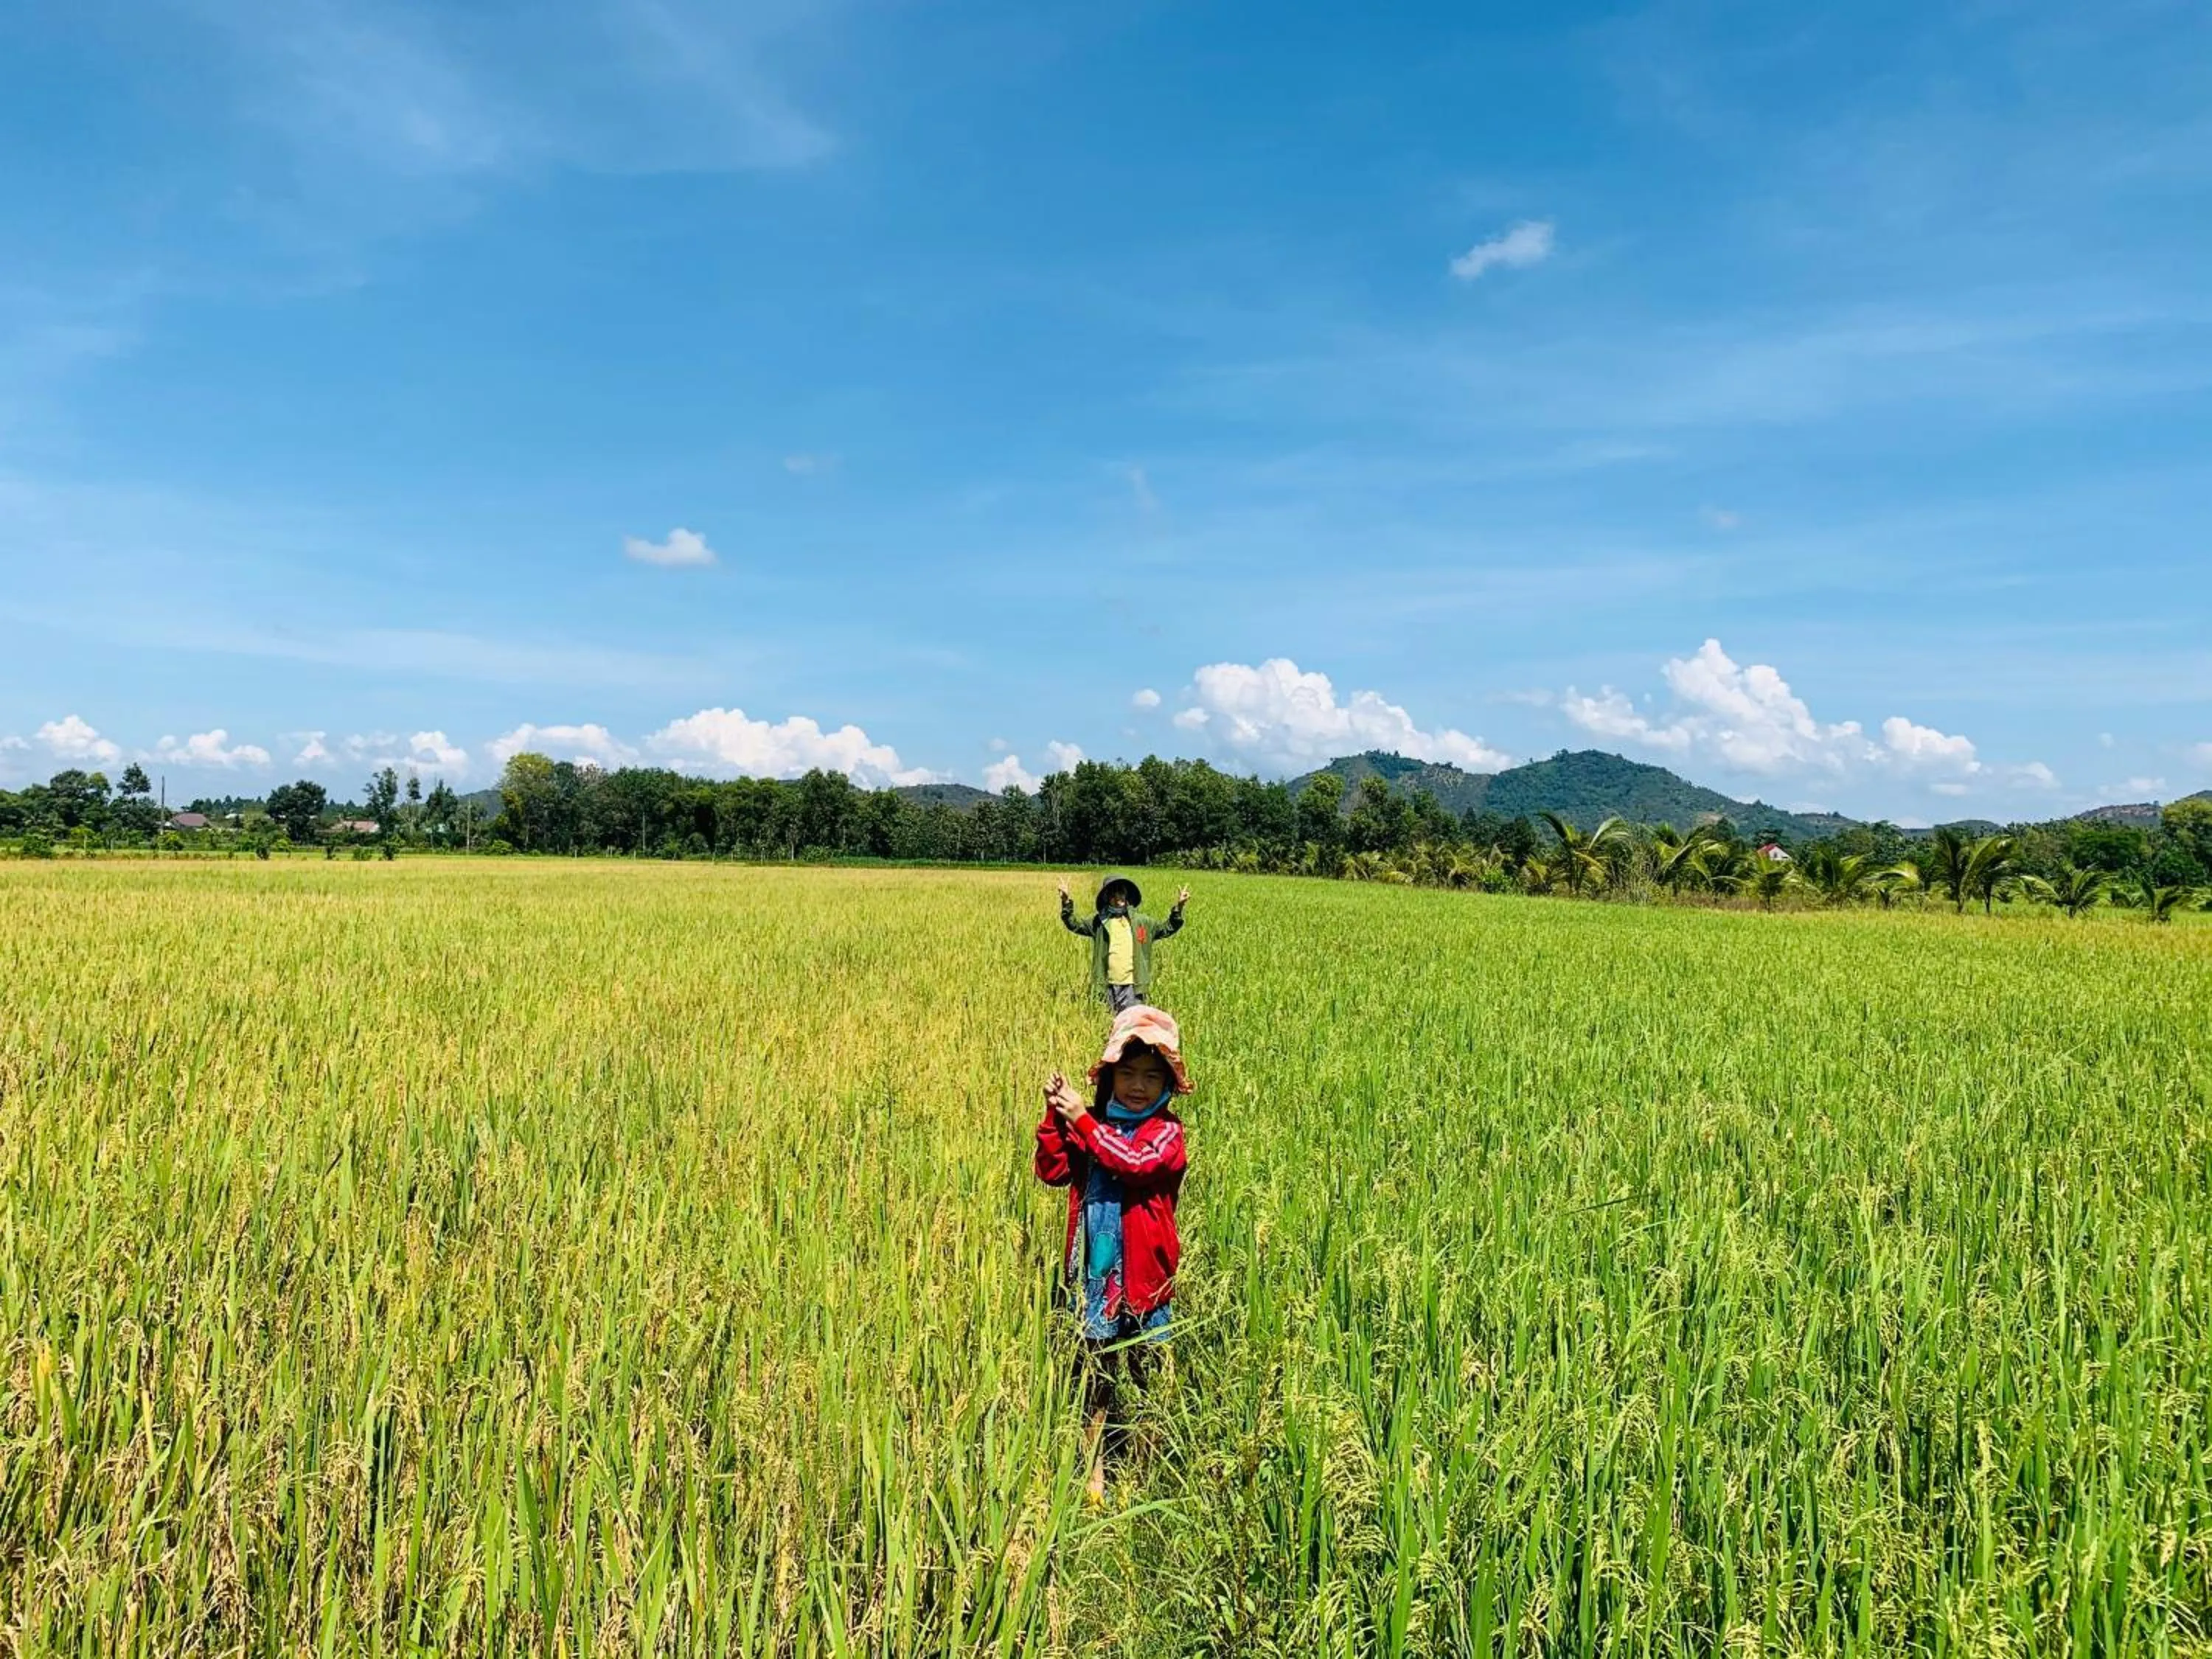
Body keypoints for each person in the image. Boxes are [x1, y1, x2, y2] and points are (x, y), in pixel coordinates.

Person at [1034, 1003, 1192, 1503]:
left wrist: (1082, 1120)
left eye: (1151, 1076)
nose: (1138, 1086)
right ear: (1109, 1078)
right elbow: (1053, 1171)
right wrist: (1056, 1116)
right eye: (1127, 1074)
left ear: (1167, 1084)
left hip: (1147, 1281)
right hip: (1097, 1279)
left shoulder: (1167, 1134)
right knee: (1095, 1374)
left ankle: (1143, 1473)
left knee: (1146, 1373)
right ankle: (1094, 1474)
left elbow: (1132, 1163)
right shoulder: (1093, 1125)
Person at [1057, 874, 1189, 1012]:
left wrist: (1179, 907)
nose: (1118, 897)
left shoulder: (1141, 922)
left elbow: (1167, 928)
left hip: (1132, 987)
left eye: (1121, 892)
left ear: (1127, 896)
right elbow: (1074, 924)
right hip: (1107, 986)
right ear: (1107, 898)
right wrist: (1066, 902)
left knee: (1131, 1022)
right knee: (1107, 1022)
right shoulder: (1100, 922)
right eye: (1113, 894)